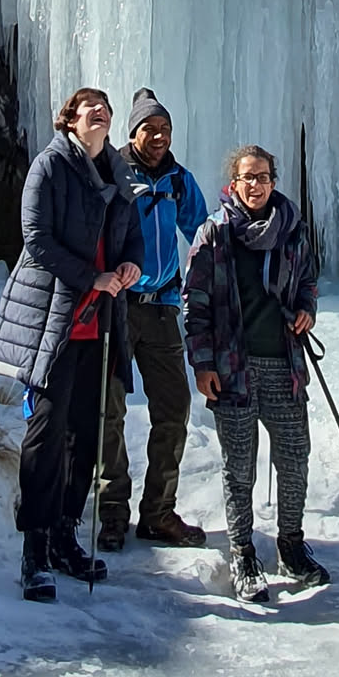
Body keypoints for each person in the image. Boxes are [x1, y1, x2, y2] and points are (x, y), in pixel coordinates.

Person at [0, 86, 144, 602]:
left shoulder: (118, 173)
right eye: (88, 107)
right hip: (54, 321)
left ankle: (64, 533)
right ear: (69, 119)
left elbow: (133, 233)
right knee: (47, 432)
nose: (99, 111)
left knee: (86, 433)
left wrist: (131, 264)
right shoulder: (50, 166)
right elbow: (36, 239)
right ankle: (34, 548)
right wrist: (90, 277)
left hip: (99, 323)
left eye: (105, 107)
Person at [182, 145, 329, 604]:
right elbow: (195, 302)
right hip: (233, 368)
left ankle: (291, 545)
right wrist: (202, 363)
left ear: (273, 182)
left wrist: (306, 309)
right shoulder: (215, 233)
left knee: (295, 457)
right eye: (248, 177)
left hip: (284, 365)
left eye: (263, 177)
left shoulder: (292, 229)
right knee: (239, 467)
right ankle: (243, 553)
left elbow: (308, 280)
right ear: (234, 183)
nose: (256, 185)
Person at [96, 87, 211, 551]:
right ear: (133, 133)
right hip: (117, 305)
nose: (160, 136)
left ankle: (158, 512)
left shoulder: (179, 181)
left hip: (162, 306)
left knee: (174, 408)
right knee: (108, 410)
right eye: (150, 128)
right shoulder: (112, 172)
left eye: (165, 128)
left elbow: (204, 235)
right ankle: (111, 512)